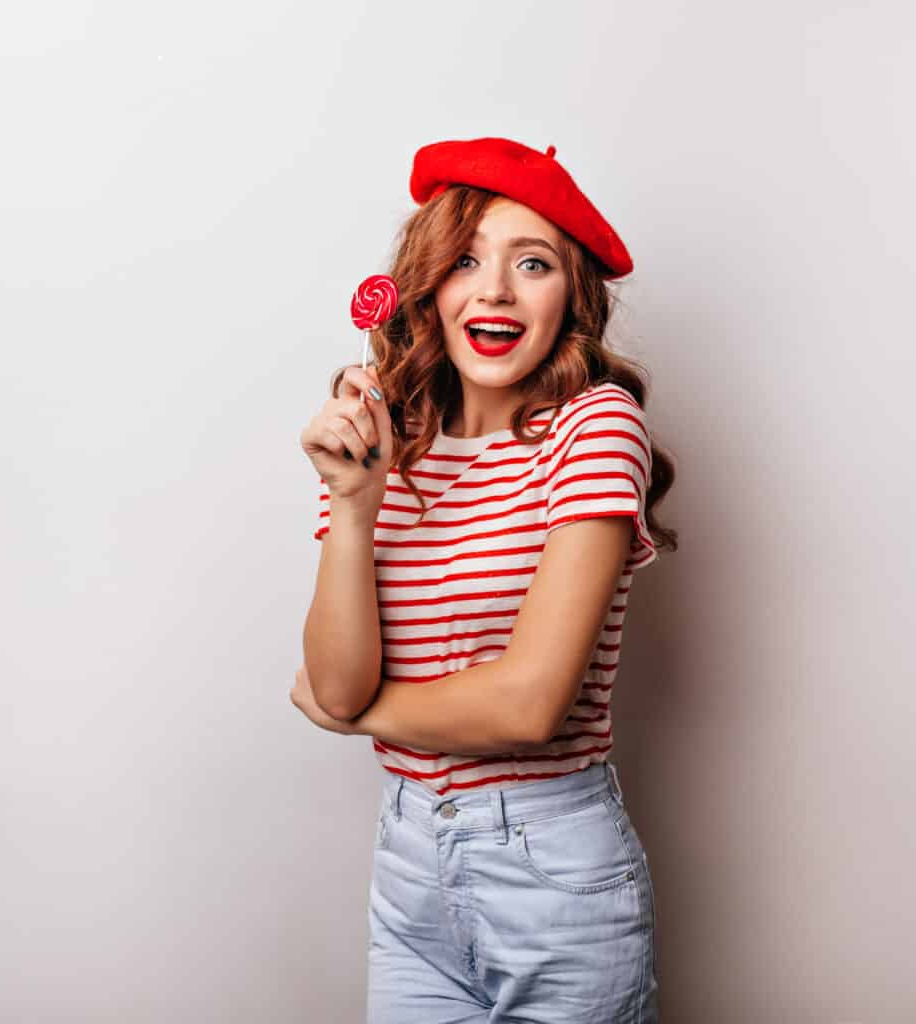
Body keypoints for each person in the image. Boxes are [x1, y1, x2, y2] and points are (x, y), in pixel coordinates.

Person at [294, 136, 678, 1023]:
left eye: (531, 263)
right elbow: (338, 676)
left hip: (551, 872)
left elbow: (528, 708)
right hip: (407, 869)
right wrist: (356, 501)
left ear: (569, 298)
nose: (495, 289)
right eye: (466, 259)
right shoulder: (391, 441)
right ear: (428, 285)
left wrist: (350, 713)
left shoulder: (594, 427)